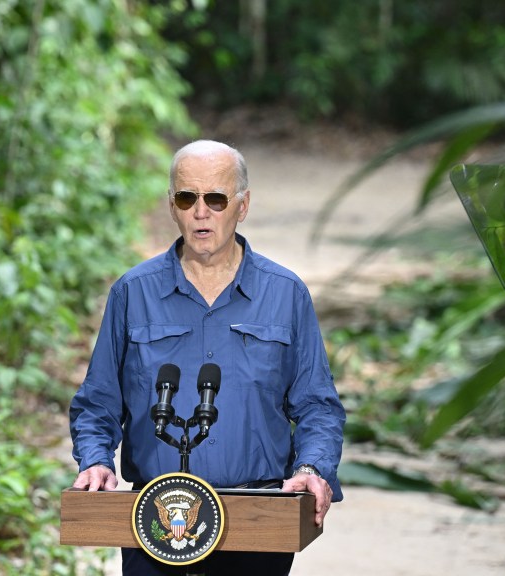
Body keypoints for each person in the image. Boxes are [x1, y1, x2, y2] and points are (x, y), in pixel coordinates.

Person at [69, 139, 346, 576]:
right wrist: (96, 460)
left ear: (243, 205)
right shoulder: (132, 293)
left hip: (257, 520)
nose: (201, 212)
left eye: (216, 199)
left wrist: (312, 467)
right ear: (172, 206)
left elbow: (317, 405)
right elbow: (98, 403)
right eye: (187, 198)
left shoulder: (285, 294)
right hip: (155, 519)